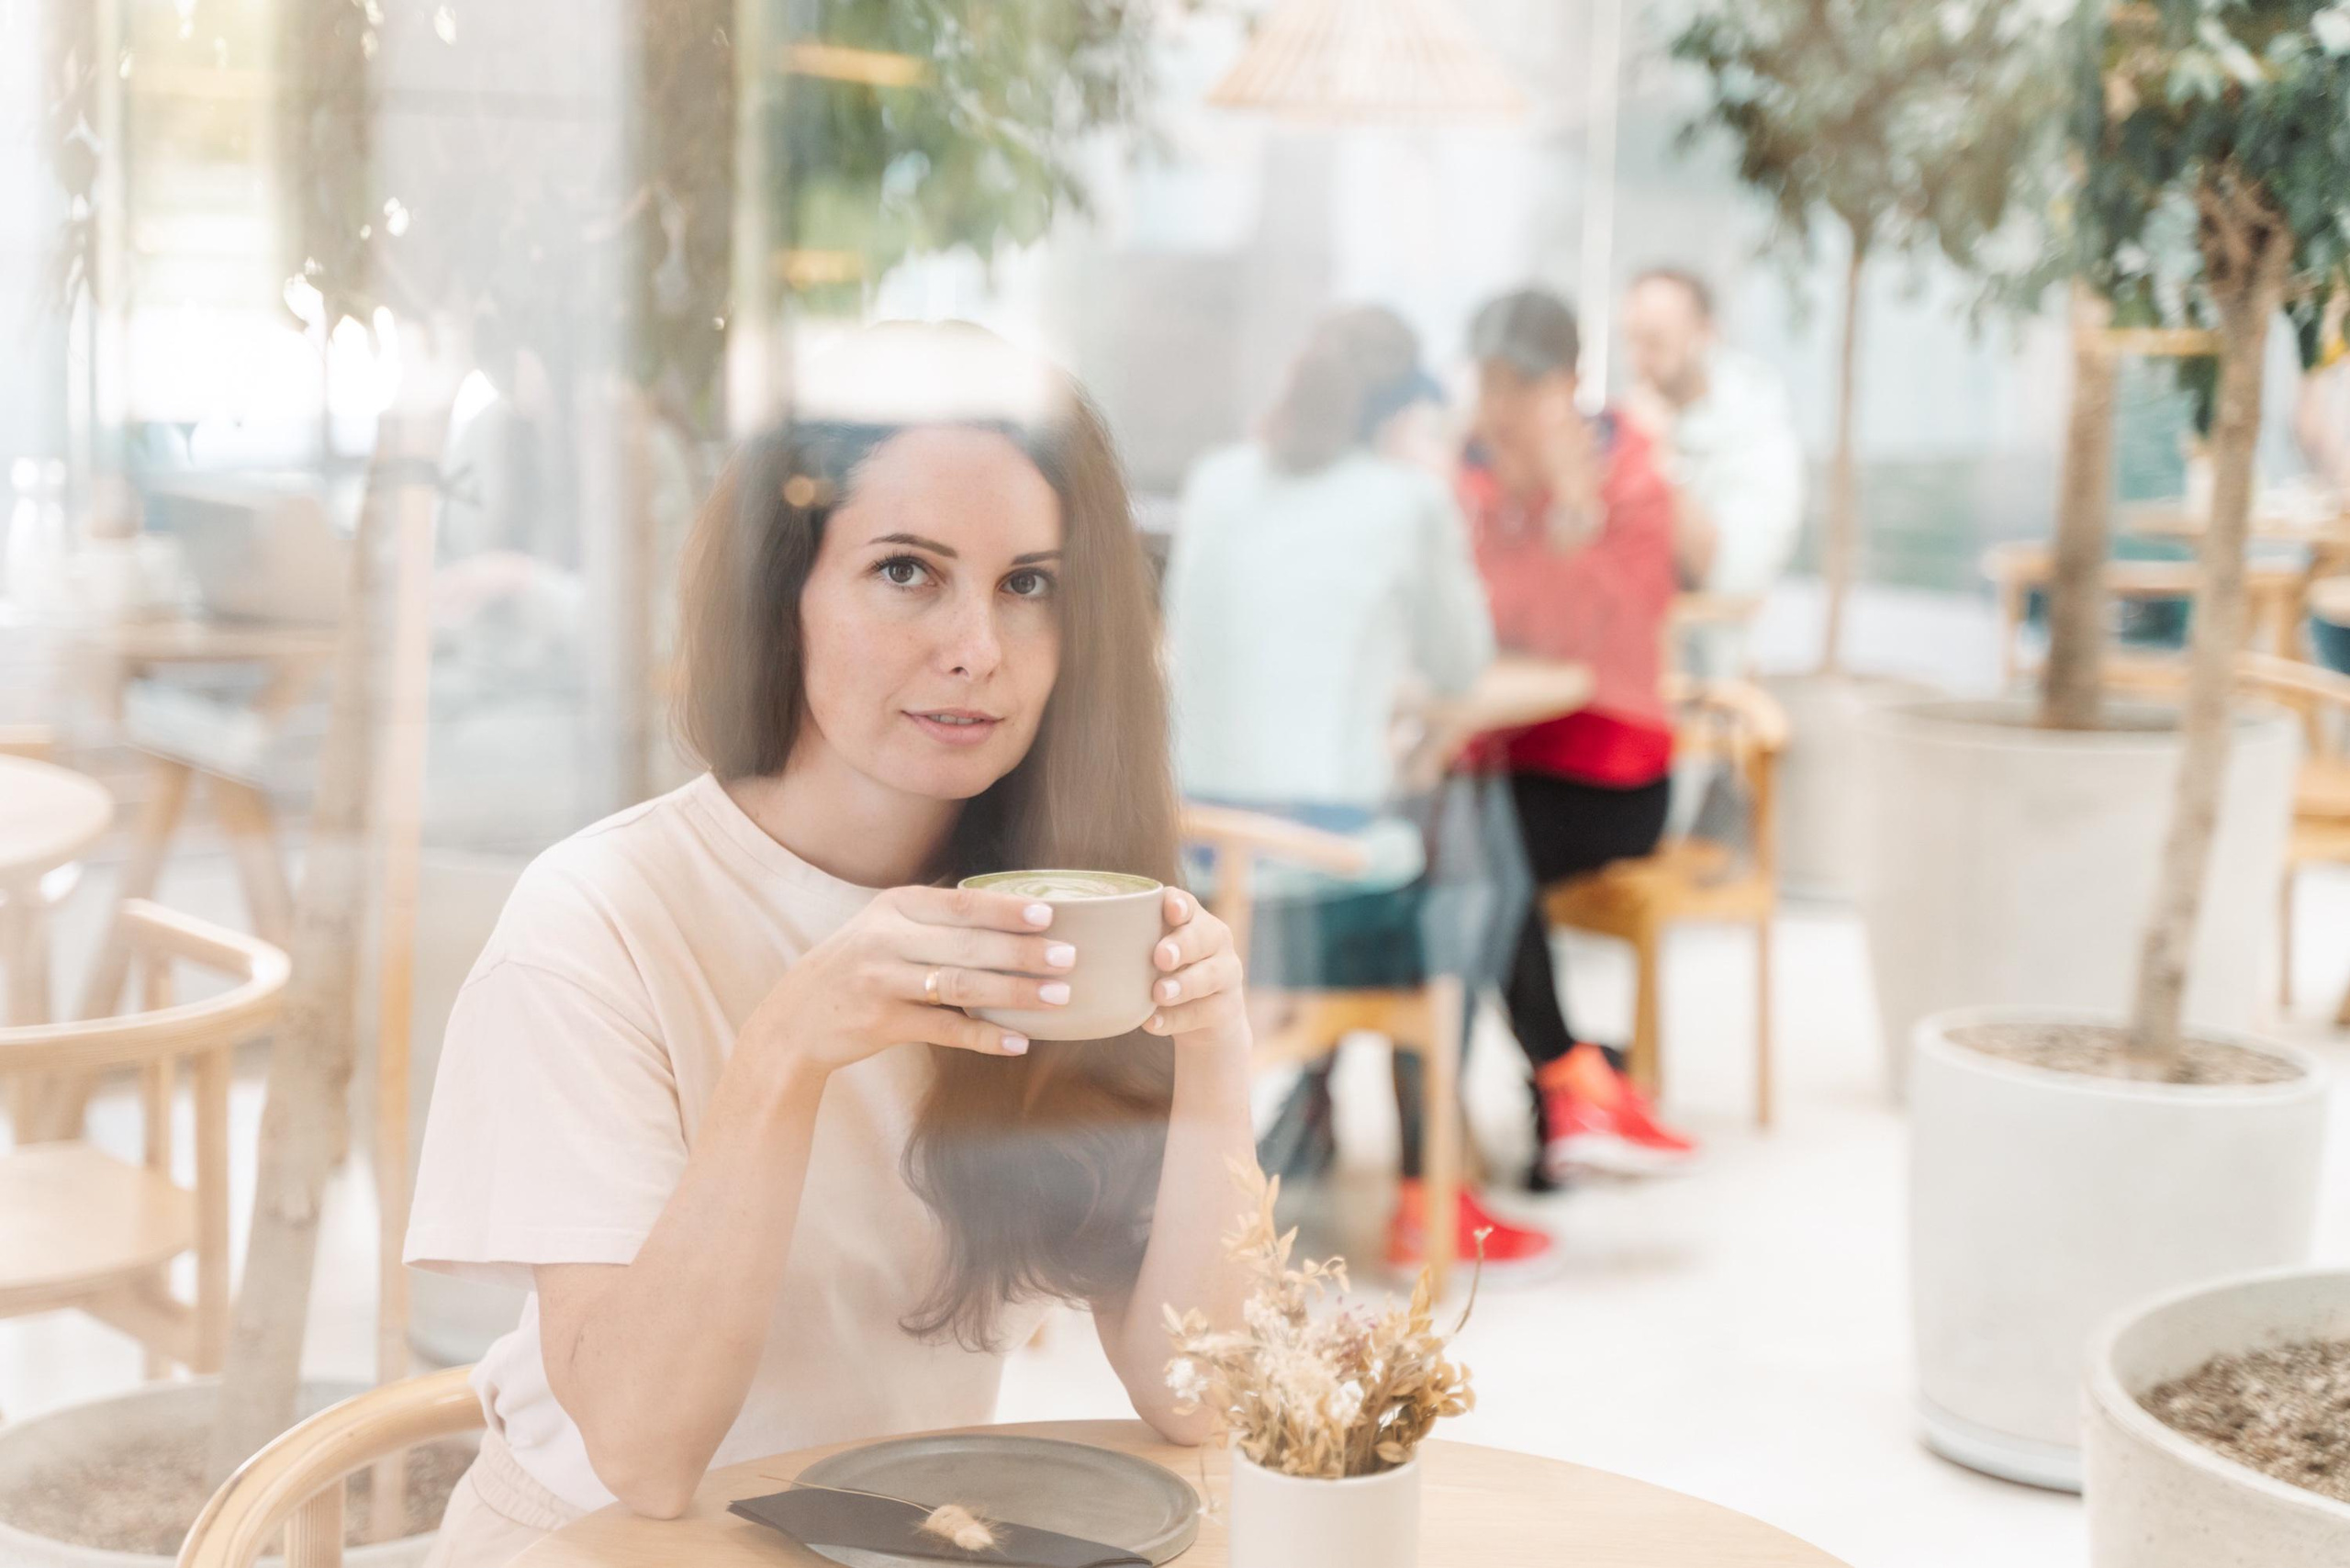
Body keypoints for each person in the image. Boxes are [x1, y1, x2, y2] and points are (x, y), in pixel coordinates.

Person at [407, 323, 1258, 1566]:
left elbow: (1201, 1396)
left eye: (1030, 584)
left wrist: (1215, 1050)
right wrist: (791, 1049)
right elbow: (638, 1459)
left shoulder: (1064, 921)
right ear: (780, 594)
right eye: (908, 571)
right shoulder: (596, 919)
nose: (976, 645)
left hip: (895, 1538)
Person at [1164, 304, 1552, 1273]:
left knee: (1411, 831)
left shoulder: (1215, 481)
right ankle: (1433, 1189)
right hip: (1319, 897)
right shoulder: (1404, 499)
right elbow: (1462, 666)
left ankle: (1320, 1115)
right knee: (1468, 858)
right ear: (1393, 417)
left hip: (1198, 881)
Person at [1459, 286, 1700, 1187]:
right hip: (1496, 759)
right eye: (1486, 384)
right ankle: (1576, 1081)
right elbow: (1473, 618)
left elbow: (1585, 632)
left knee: (1474, 863)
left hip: (1611, 778)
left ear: (1567, 384)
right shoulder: (1473, 473)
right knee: (1455, 845)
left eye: (1518, 387)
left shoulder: (1633, 480)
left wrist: (1565, 510)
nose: (1498, 407)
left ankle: (1564, 1083)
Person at [1619, 267, 1804, 680]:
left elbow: (1728, 579)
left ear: (1706, 335)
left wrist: (1658, 458)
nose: (1636, 361)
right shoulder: (1637, 420)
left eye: (1654, 342)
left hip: (1711, 684)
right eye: (1630, 340)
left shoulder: (1757, 435)